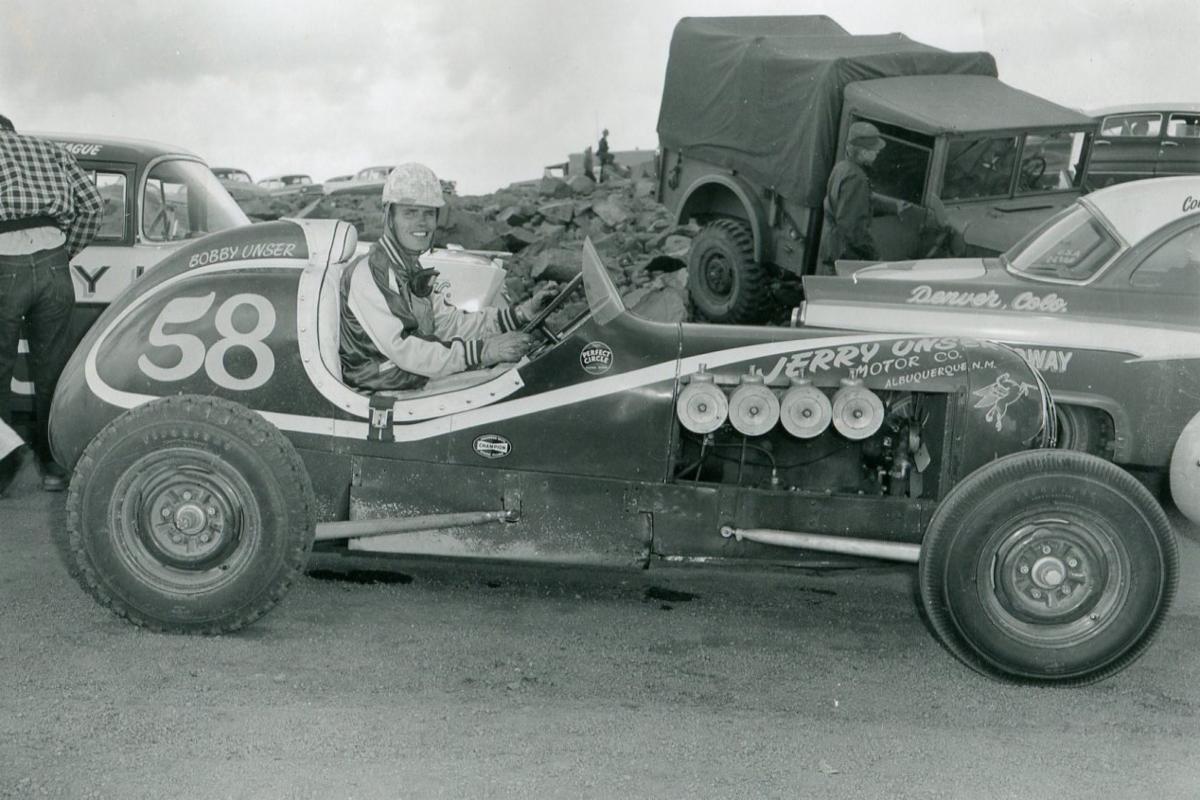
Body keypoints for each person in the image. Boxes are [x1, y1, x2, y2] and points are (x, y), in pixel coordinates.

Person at [340, 163, 556, 393]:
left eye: (429, 213)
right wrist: (484, 351)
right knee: (514, 387)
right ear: (389, 216)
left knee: (515, 374)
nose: (422, 222)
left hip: (410, 381)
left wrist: (520, 314)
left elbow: (449, 325)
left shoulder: (409, 267)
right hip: (382, 394)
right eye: (410, 212)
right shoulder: (370, 272)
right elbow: (405, 350)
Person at [0, 113, 103, 491]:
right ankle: (54, 468)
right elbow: (93, 206)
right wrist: (62, 253)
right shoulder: (50, 150)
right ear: (11, 129)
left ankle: (2, 470)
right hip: (54, 261)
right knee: (54, 370)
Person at [817, 121, 909, 275]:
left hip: (834, 251)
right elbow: (853, 229)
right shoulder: (857, 178)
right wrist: (875, 258)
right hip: (847, 258)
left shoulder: (842, 168)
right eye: (874, 150)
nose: (877, 153)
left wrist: (894, 206)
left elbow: (861, 201)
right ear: (863, 152)